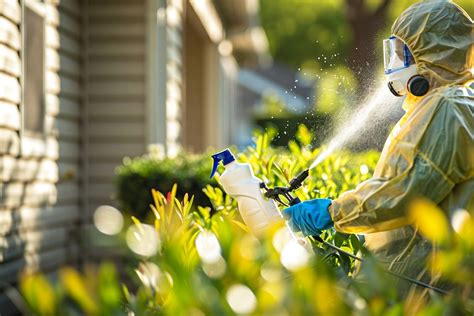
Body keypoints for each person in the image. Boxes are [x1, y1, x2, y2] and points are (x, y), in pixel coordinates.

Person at [283, 0, 473, 296]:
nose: (394, 65)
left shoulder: (447, 108)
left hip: (425, 289)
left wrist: (333, 212)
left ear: (433, 53)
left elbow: (408, 192)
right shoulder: (444, 104)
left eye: (402, 54)